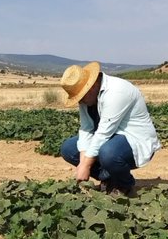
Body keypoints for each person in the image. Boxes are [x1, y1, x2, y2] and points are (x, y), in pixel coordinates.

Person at [60, 61, 161, 196]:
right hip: (110, 139)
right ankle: (109, 179)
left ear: (91, 87)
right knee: (69, 148)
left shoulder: (117, 91)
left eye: (81, 96)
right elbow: (86, 129)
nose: (80, 101)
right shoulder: (87, 99)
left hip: (133, 139)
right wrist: (83, 163)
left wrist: (86, 166)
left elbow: (103, 134)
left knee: (108, 153)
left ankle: (124, 185)